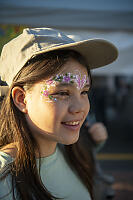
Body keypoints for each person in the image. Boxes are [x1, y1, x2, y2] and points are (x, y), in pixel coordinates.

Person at [0, 27, 118, 200]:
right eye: (62, 93)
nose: (80, 107)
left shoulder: (68, 150)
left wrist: (94, 144)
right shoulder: (4, 180)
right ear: (21, 99)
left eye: (84, 91)